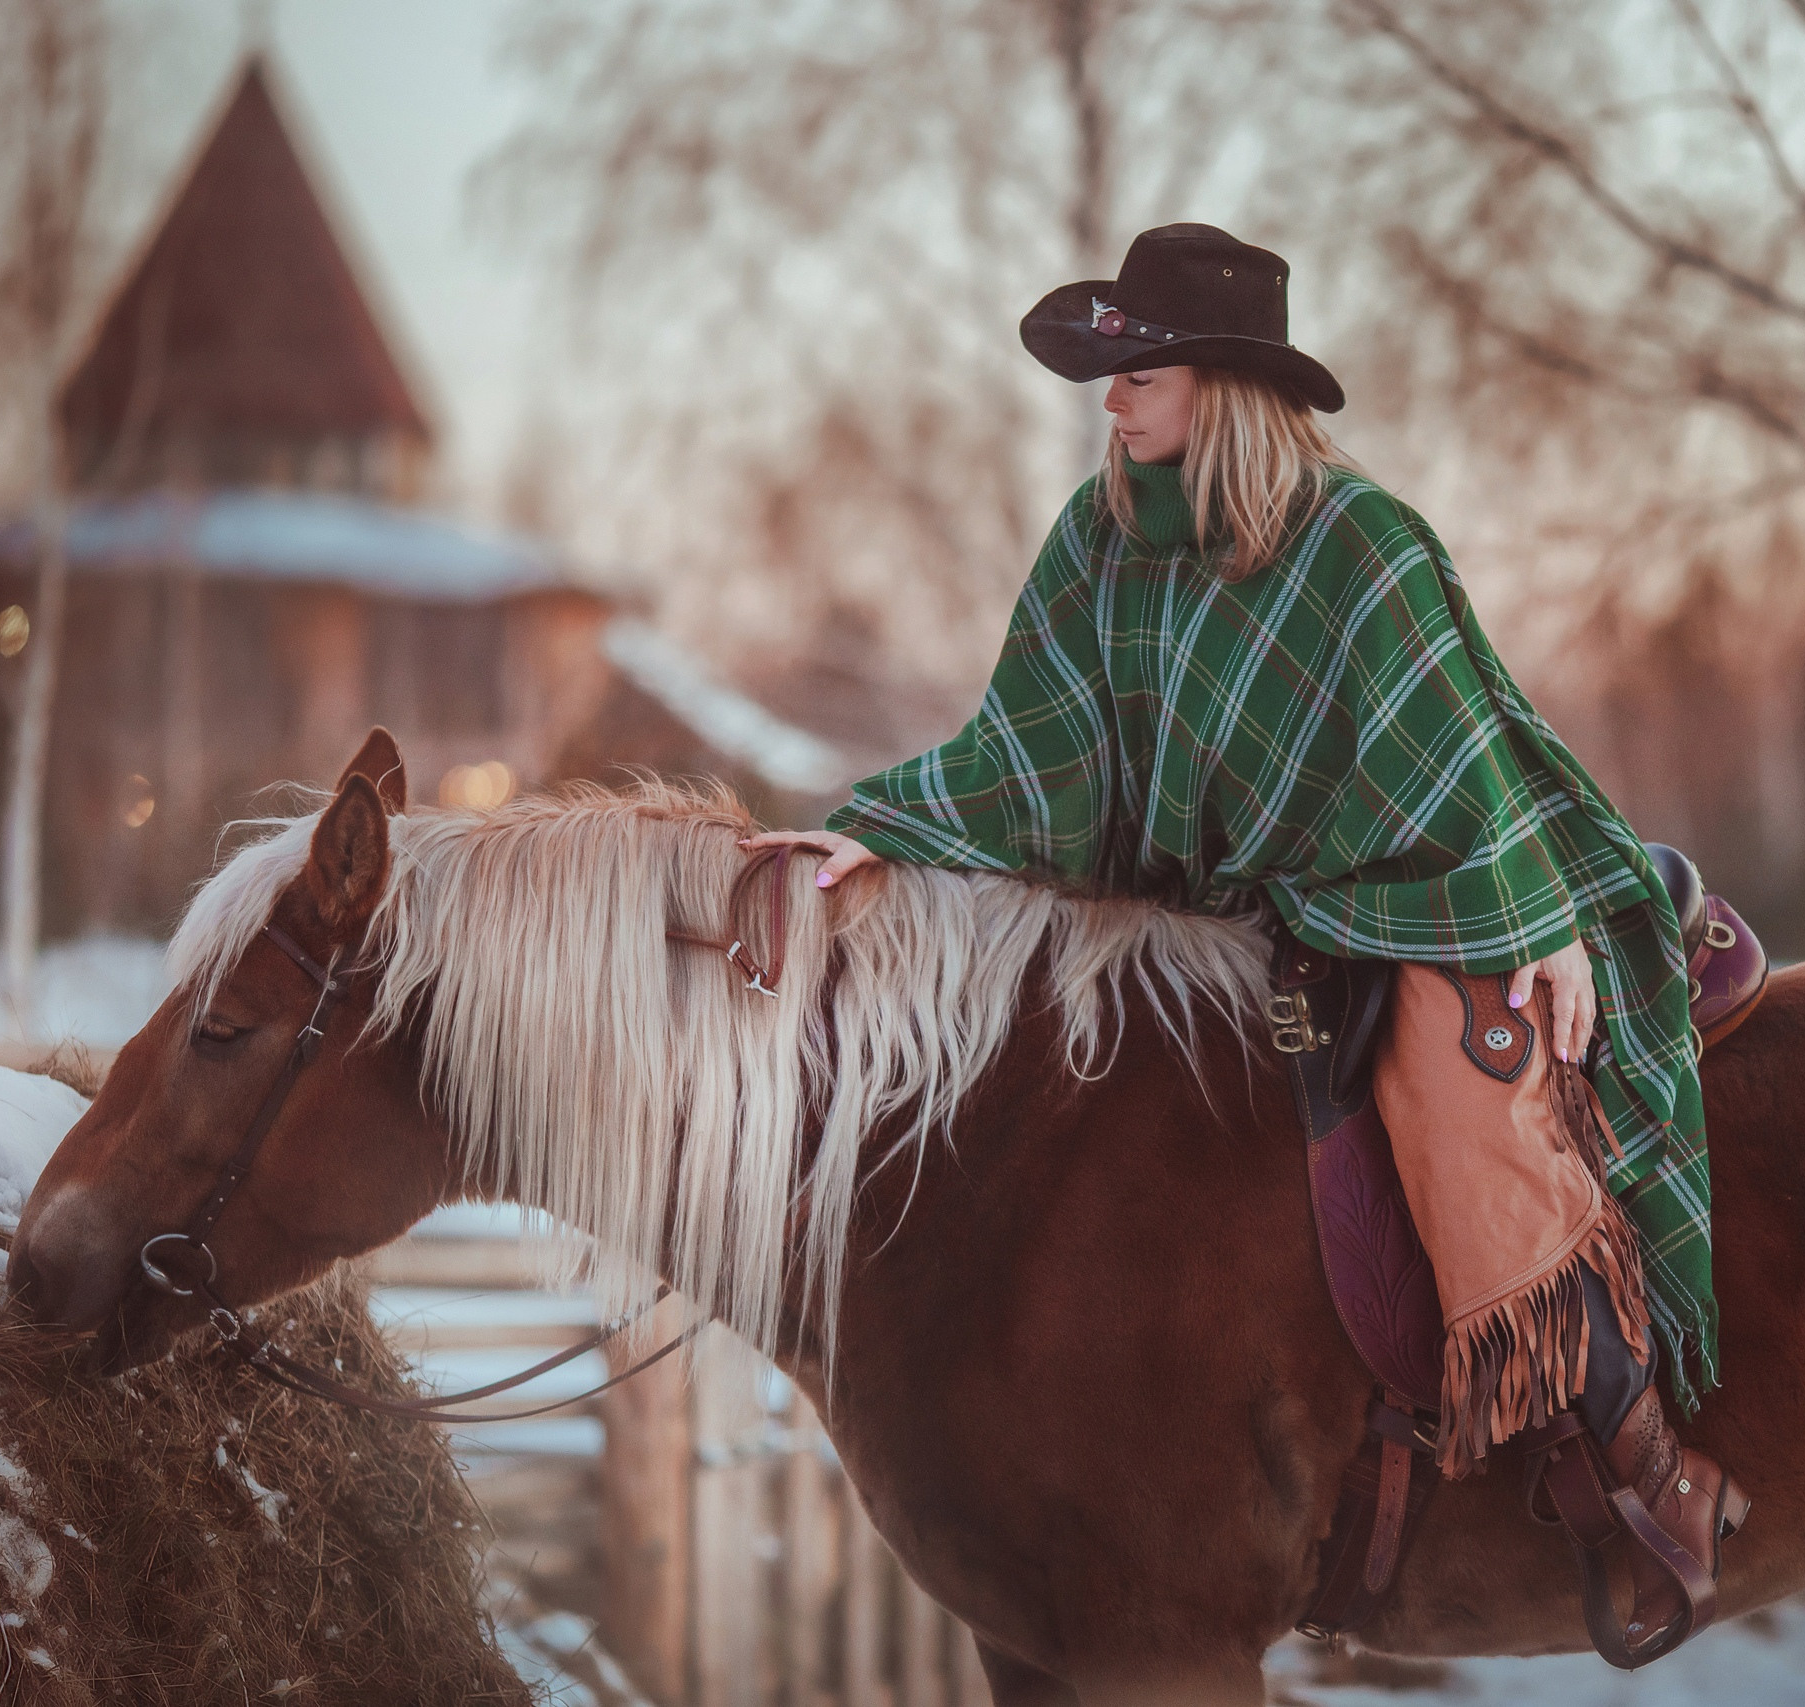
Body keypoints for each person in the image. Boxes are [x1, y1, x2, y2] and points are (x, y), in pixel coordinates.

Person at [743, 223, 1743, 1652]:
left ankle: (1640, 1473)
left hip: (1417, 882)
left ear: (1217, 383)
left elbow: (1459, 766)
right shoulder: (1098, 541)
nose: (1111, 396)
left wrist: (1542, 924)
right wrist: (887, 827)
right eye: (1109, 369)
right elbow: (1037, 743)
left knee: (1471, 1110)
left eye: (1136, 368)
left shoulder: (1365, 543)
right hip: (1214, 911)